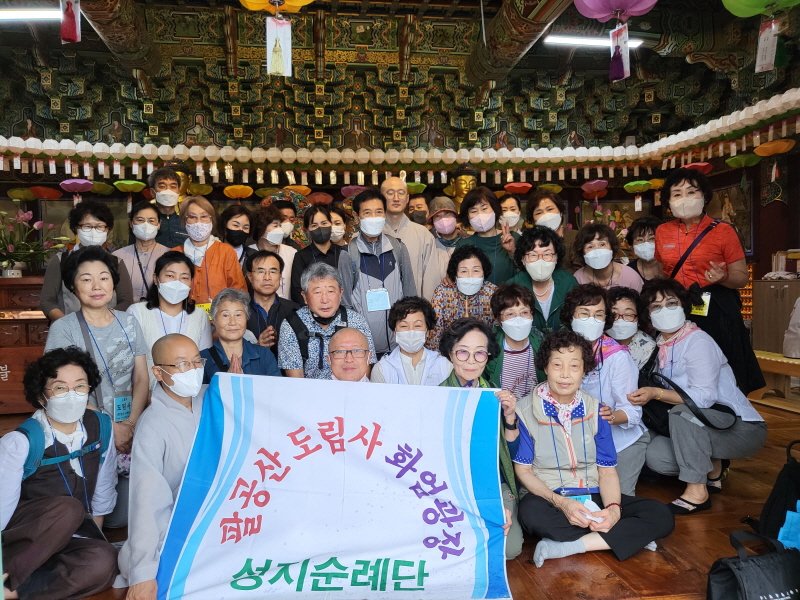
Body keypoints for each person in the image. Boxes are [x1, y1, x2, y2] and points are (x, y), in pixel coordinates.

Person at [513, 330, 674, 567]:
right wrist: (562, 503)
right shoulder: (524, 411)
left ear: (584, 370)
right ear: (545, 367)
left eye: (574, 366)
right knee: (530, 514)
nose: (565, 374)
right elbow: (524, 471)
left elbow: (607, 471)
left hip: (593, 495)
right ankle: (628, 536)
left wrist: (613, 510)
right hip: (550, 498)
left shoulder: (597, 411)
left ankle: (572, 545)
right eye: (557, 365)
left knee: (661, 514)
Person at [630, 279, 767, 514]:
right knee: (657, 456)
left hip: (739, 427)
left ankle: (697, 492)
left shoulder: (697, 341)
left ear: (683, 306)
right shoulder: (659, 345)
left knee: (681, 414)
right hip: (706, 425)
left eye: (671, 303)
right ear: (648, 315)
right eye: (656, 307)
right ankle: (713, 470)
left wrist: (656, 393)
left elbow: (703, 398)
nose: (665, 310)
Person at [44, 246, 149, 529]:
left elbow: (141, 377)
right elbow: (61, 389)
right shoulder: (64, 328)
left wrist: (130, 423)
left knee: (123, 517)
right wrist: (111, 427)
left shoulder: (129, 322)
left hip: (130, 424)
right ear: (73, 287)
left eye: (103, 277)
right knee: (101, 513)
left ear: (113, 283)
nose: (96, 286)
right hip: (87, 426)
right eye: (86, 279)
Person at [1, 347, 118, 600]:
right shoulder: (21, 442)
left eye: (80, 386)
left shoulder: (101, 428)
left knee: (104, 559)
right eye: (60, 387)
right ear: (41, 396)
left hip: (69, 538)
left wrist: (94, 539)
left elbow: (103, 489)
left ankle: (13, 590)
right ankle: (6, 576)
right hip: (23, 537)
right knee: (68, 509)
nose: (72, 395)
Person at [654, 168, 764, 395]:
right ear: (668, 201)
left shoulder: (724, 231)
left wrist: (723, 277)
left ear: (704, 196)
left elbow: (742, 278)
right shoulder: (662, 231)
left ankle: (727, 407)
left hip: (717, 307)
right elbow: (661, 273)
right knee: (680, 362)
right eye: (676, 194)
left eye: (691, 192)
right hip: (679, 307)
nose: (684, 198)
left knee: (722, 363)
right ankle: (683, 403)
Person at [115, 334, 206, 598]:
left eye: (197, 362)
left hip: (213, 511)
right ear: (157, 372)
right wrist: (143, 574)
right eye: (182, 364)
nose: (192, 370)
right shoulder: (152, 425)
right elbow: (146, 502)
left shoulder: (208, 399)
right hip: (173, 523)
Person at [438, 318, 522, 560]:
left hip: (493, 484)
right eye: (463, 352)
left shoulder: (496, 396)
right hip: (452, 487)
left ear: (488, 356)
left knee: (509, 550)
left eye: (480, 353)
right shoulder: (436, 397)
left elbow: (514, 455)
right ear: (450, 354)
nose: (472, 361)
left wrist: (509, 416)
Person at [560, 284, 648, 496]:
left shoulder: (618, 357)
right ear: (571, 316)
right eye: (584, 313)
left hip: (621, 442)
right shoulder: (561, 350)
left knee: (615, 500)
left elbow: (633, 412)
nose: (591, 320)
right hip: (578, 442)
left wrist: (609, 416)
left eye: (599, 314)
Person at [126, 251, 212, 390]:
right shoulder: (137, 313)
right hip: (148, 394)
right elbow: (128, 363)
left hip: (189, 394)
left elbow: (203, 359)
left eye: (184, 277)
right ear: (156, 279)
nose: (177, 283)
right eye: (170, 276)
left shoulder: (199, 315)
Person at [347, 189, 416, 357]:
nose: (374, 217)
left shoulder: (398, 247)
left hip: (398, 343)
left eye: (378, 212)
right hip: (364, 345)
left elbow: (410, 292)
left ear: (385, 214)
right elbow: (345, 301)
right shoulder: (349, 252)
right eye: (367, 213)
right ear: (357, 217)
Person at [41, 199, 135, 321]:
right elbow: (47, 300)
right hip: (70, 327)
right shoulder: (61, 260)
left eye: (99, 226)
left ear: (107, 229)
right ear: (76, 228)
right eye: (87, 226)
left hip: (108, 326)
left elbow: (126, 300)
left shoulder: (116, 262)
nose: (93, 231)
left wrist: (103, 321)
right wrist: (67, 324)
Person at [278, 262, 375, 379]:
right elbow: (296, 379)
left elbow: (365, 370)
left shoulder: (357, 322)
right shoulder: (292, 325)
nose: (325, 300)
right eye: (317, 292)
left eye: (330, 291)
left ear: (341, 293)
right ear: (304, 296)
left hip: (349, 388)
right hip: (309, 390)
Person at [171, 195, 246, 307]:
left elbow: (238, 291)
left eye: (204, 216)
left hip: (219, 316)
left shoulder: (225, 252)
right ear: (184, 220)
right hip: (184, 315)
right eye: (192, 217)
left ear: (212, 219)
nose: (198, 222)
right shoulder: (175, 254)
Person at [200, 288, 281, 382]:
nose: (232, 322)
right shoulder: (201, 359)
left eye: (238, 315)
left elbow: (277, 389)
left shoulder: (265, 355)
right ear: (214, 320)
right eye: (225, 315)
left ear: (246, 318)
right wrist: (226, 382)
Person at [428, 246, 497, 352]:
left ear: (484, 272)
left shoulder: (492, 293)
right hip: (449, 354)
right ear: (455, 274)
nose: (470, 276)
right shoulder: (443, 292)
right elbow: (434, 334)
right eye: (464, 271)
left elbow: (497, 333)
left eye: (476, 270)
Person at [509, 226, 578, 333]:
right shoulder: (513, 287)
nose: (540, 260)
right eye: (533, 255)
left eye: (547, 254)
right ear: (523, 259)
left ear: (556, 257)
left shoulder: (569, 282)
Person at [370, 296, 452, 385]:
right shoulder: (381, 369)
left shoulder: (444, 366)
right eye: (404, 326)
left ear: (427, 332)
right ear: (395, 332)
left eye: (417, 326)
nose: (411, 331)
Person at [381, 177, 440, 299]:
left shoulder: (423, 235)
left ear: (407, 198)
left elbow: (431, 279)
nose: (396, 198)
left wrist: (425, 308)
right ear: (381, 198)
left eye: (401, 193)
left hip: (414, 306)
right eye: (390, 193)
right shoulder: (371, 234)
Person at [485, 284, 545, 399]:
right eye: (510, 314)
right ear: (498, 320)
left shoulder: (543, 346)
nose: (518, 319)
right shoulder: (488, 349)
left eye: (524, 312)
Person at [290, 206, 354, 306]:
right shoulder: (301, 256)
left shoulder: (344, 252)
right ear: (307, 229)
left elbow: (353, 285)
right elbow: (297, 291)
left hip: (344, 309)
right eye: (314, 225)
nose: (320, 228)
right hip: (313, 311)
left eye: (324, 223)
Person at [455, 187, 518, 285]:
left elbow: (527, 274)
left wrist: (512, 252)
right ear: (468, 216)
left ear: (494, 209)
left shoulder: (513, 238)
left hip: (510, 294)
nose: (480, 214)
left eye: (484, 208)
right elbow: (456, 278)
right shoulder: (463, 245)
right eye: (473, 211)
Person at [245, 250, 299, 359]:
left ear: (280, 276)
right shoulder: (239, 310)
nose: (267, 277)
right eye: (261, 272)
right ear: (250, 276)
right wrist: (256, 347)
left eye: (273, 272)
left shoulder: (294, 310)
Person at [114, 201, 170, 303]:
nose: (146, 225)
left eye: (151, 220)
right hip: (126, 312)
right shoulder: (117, 257)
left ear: (159, 224)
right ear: (131, 223)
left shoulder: (169, 255)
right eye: (140, 220)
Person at [573, 223, 643, 292]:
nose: (597, 251)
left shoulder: (631, 277)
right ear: (582, 252)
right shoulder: (577, 279)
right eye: (590, 247)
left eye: (602, 244)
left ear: (612, 247)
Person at [526, 189, 581, 273]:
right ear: (533, 220)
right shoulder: (530, 242)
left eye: (550, 209)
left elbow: (579, 269)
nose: (546, 215)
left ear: (560, 212)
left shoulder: (575, 237)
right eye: (539, 213)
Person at [250, 204, 297, 301]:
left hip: (286, 306)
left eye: (280, 225)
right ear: (261, 229)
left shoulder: (291, 252)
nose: (280, 230)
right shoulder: (249, 253)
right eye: (275, 225)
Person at [606, 286, 656, 370]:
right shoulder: (596, 342)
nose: (620, 320)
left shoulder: (648, 349)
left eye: (628, 315)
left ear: (638, 318)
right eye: (614, 314)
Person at [148, 167, 187, 248]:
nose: (168, 190)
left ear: (178, 191)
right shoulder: (146, 222)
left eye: (173, 187)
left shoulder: (187, 221)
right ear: (152, 192)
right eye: (162, 186)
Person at [428, 196, 462, 285]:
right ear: (433, 224)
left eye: (447, 213)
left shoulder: (468, 243)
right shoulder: (430, 247)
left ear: (456, 218)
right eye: (437, 216)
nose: (443, 219)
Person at [625, 216, 664, 283]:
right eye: (640, 240)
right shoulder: (628, 272)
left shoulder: (671, 267)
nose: (646, 243)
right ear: (632, 245)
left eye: (652, 238)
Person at [217, 205, 254, 272]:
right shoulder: (212, 252)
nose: (240, 230)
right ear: (224, 225)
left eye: (245, 227)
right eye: (236, 225)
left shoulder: (253, 255)